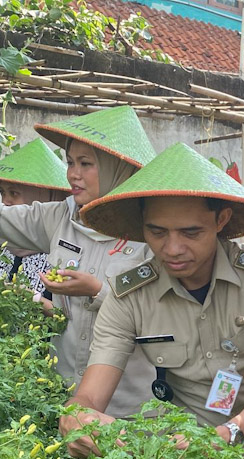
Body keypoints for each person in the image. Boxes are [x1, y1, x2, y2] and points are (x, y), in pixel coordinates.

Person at [59, 142, 244, 459]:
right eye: (157, 232)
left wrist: (226, 436)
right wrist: (77, 416)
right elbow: (91, 393)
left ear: (221, 219)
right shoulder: (129, 296)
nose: (173, 248)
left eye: (191, 232)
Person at [0, 106, 158, 418]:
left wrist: (97, 291)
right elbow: (7, 222)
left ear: (119, 167)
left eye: (86, 164)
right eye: (71, 162)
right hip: (64, 396)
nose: (73, 173)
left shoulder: (153, 229)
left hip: (127, 409)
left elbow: (164, 314)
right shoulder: (62, 215)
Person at [0, 139, 69, 299]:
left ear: (43, 198)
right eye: (2, 192)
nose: (6, 201)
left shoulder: (62, 253)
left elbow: (71, 317)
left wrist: (33, 298)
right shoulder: (4, 245)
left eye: (14, 193)